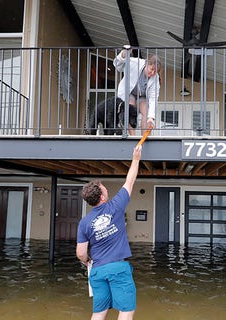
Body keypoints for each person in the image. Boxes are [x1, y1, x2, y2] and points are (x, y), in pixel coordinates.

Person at [76, 144, 142, 320]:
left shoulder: (84, 222)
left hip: (97, 271)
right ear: (103, 197)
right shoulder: (116, 206)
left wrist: (87, 261)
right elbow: (130, 180)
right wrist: (135, 159)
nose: (106, 189)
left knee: (99, 312)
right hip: (117, 268)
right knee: (126, 310)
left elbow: (81, 253)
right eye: (104, 188)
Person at [113, 47, 162, 135]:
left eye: (155, 71)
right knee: (129, 109)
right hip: (129, 93)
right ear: (147, 64)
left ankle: (145, 138)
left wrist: (151, 117)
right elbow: (117, 64)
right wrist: (124, 54)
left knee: (146, 113)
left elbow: (153, 98)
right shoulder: (135, 63)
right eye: (151, 69)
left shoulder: (156, 78)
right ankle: (133, 136)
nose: (152, 73)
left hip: (142, 96)